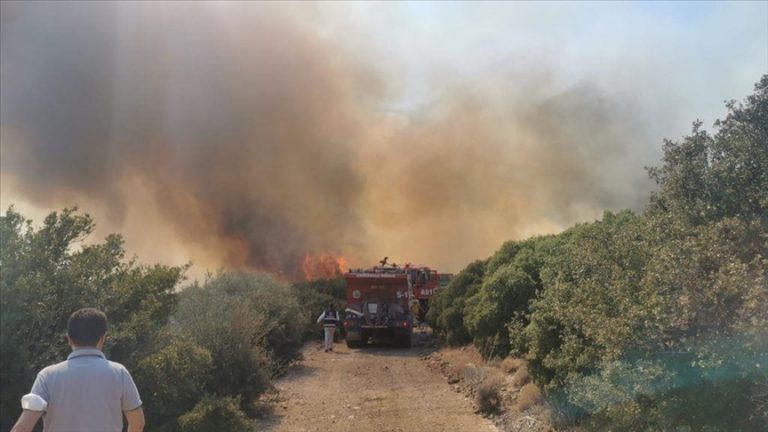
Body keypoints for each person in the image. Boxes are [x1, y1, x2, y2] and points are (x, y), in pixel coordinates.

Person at [11, 308, 145, 432]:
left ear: (69, 339)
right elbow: (137, 422)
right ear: (103, 338)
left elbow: (22, 428)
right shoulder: (119, 373)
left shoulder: (48, 376)